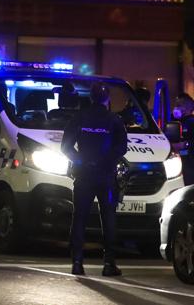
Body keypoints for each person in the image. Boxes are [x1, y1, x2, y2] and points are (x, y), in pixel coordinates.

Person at [61, 82, 128, 277]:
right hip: (106, 176)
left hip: (83, 176)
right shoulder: (113, 119)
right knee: (108, 218)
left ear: (90, 97)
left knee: (79, 217)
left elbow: (65, 146)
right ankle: (109, 264)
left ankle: (77, 262)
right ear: (107, 99)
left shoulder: (79, 117)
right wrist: (105, 160)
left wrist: (81, 160)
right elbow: (122, 147)